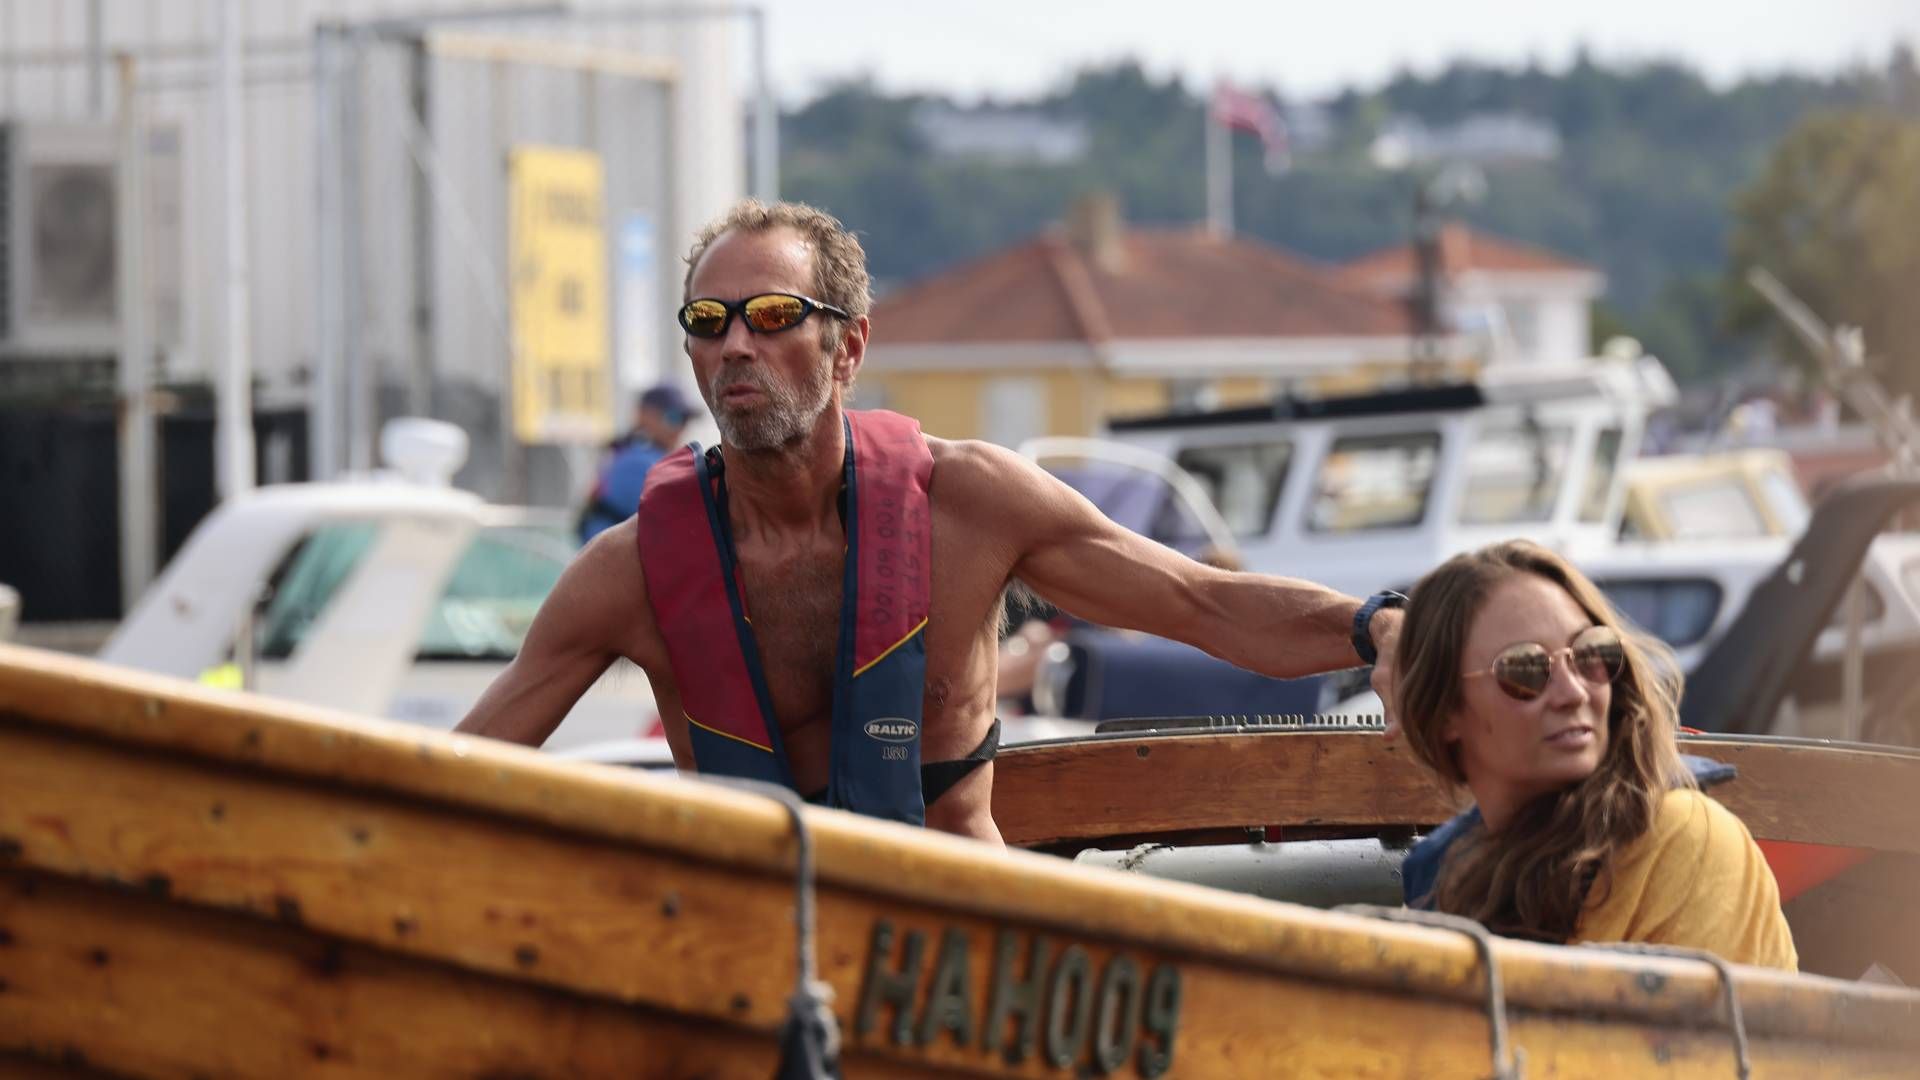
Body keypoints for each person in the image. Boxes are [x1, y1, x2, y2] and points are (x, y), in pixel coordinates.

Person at [456, 199, 1407, 844]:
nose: (735, 342)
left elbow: (1207, 606)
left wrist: (1379, 628)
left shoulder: (973, 506)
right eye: (708, 321)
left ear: (847, 348)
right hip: (745, 959)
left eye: (774, 314)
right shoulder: (628, 573)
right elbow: (455, 771)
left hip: (959, 949)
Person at [1392, 540, 1796, 970]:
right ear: (1445, 711)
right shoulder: (1445, 882)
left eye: (1590, 654)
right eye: (1526, 669)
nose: (1573, 691)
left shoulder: (1687, 840)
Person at [576, 384, 694, 543]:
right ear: (645, 416)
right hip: (614, 561)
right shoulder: (640, 463)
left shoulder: (627, 452)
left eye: (685, 420)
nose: (680, 428)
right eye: (673, 417)